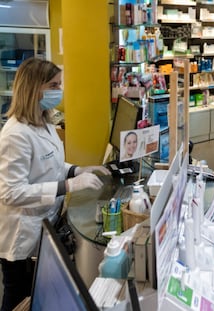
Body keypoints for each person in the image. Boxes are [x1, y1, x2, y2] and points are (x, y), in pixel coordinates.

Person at [0, 58, 111, 311]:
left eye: (59, 84)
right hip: (21, 235)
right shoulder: (15, 134)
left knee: (36, 296)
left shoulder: (44, 121)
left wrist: (76, 170)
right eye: (53, 85)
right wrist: (69, 186)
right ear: (33, 88)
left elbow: (50, 165)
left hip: (43, 225)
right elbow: (11, 192)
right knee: (18, 295)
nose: (58, 90)